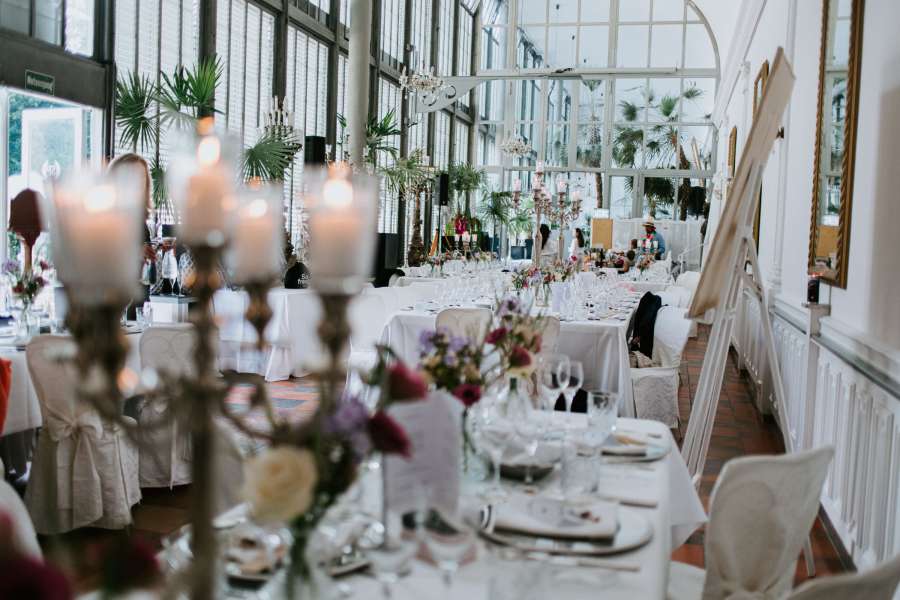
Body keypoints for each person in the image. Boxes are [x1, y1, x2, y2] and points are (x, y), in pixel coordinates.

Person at [108, 153, 156, 318]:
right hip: (113, 306)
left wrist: (155, 252)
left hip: (138, 305)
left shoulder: (140, 222)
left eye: (142, 178)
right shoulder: (105, 218)